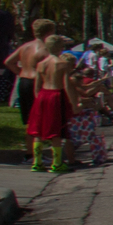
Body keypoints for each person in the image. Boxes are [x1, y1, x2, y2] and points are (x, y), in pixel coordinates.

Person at [26, 36, 76, 172]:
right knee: (56, 130)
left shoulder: (41, 64)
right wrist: (73, 103)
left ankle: (37, 162)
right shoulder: (61, 64)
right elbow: (67, 86)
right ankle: (57, 162)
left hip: (42, 95)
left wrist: (38, 100)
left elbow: (37, 86)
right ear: (61, 48)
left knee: (39, 129)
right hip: (56, 95)